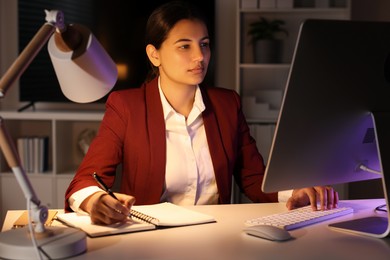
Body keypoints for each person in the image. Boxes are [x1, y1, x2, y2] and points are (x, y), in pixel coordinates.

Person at [65, 0, 338, 225]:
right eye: (185, 46)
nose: (200, 56)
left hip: (216, 235)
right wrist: (95, 200)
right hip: (150, 239)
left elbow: (254, 179)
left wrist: (296, 192)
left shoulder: (227, 104)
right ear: (154, 55)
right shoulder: (126, 106)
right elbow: (85, 180)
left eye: (204, 44)